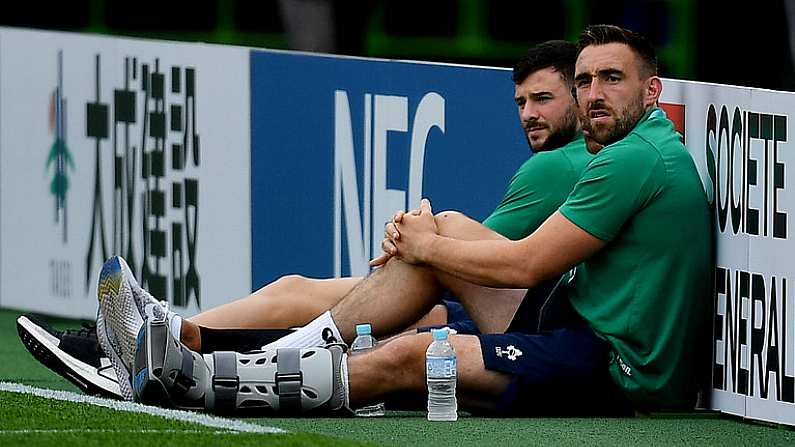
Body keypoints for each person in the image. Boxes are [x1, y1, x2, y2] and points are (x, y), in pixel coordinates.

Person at [117, 24, 711, 416]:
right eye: (584, 82)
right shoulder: (633, 148)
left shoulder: (628, 159)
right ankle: (212, 348)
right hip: (576, 323)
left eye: (611, 79)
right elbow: (508, 261)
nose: (594, 94)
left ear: (652, 89)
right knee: (432, 245)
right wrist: (428, 243)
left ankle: (206, 366)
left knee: (413, 347)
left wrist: (422, 246)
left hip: (615, 370)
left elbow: (525, 261)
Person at [18, 40, 594, 402]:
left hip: (496, 311)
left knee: (331, 305)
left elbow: (478, 259)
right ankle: (162, 342)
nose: (529, 114)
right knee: (313, 296)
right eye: (520, 102)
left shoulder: (565, 168)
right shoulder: (581, 163)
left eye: (543, 99)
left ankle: (156, 345)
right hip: (496, 304)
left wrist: (419, 240)